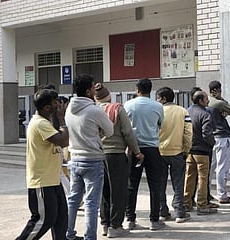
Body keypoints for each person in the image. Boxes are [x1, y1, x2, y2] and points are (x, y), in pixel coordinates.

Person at [65, 74, 114, 240]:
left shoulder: (69, 109)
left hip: (75, 158)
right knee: (92, 203)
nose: (95, 90)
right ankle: (90, 237)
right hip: (93, 160)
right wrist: (97, 131)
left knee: (73, 200)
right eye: (93, 87)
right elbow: (110, 130)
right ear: (87, 91)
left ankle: (69, 233)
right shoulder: (94, 110)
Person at [16, 89, 69, 240]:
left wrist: (57, 118)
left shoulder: (45, 122)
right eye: (55, 102)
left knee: (60, 218)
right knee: (43, 220)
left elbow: (58, 133)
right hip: (42, 181)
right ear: (46, 108)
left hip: (52, 180)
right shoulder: (40, 124)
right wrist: (63, 119)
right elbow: (63, 141)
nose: (58, 105)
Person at [94, 83, 143, 238]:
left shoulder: (93, 111)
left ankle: (105, 224)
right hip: (116, 155)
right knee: (119, 191)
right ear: (109, 96)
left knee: (104, 191)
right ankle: (116, 226)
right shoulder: (117, 109)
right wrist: (137, 152)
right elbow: (128, 133)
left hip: (98, 155)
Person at [124, 78, 167, 231]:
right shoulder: (157, 106)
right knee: (155, 185)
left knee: (131, 185)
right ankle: (154, 220)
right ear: (151, 89)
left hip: (134, 149)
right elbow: (160, 124)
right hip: (152, 148)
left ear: (137, 89)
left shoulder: (128, 105)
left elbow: (125, 127)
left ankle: (130, 219)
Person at [156, 87, 192, 223]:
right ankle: (179, 212)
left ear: (164, 99)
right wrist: (186, 149)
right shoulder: (183, 111)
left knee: (160, 183)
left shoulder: (158, 111)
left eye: (158, 98)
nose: (157, 101)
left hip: (160, 152)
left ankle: (163, 211)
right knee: (178, 183)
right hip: (178, 152)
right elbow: (188, 133)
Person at [184, 90, 218, 214]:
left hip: (189, 151)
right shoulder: (205, 114)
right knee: (203, 179)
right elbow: (207, 134)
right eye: (206, 99)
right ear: (200, 101)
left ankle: (187, 202)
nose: (208, 101)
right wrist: (212, 143)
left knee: (189, 177)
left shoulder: (186, 112)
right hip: (202, 152)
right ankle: (202, 204)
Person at [207, 81, 230, 204]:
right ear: (218, 90)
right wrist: (221, 98)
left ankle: (206, 193)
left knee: (210, 167)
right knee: (222, 168)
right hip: (221, 137)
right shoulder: (218, 103)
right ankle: (222, 195)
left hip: (211, 138)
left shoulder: (206, 102)